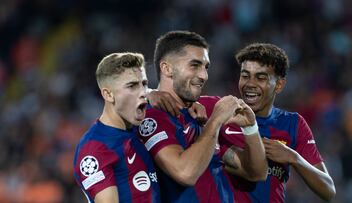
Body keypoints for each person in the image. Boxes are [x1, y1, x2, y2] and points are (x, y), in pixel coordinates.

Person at [138, 30, 267, 203]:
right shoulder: (151, 116)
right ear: (167, 68)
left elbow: (257, 173)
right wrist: (215, 121)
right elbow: (185, 173)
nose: (204, 75)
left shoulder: (200, 112)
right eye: (194, 65)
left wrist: (251, 128)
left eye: (206, 67)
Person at [200, 43, 336, 202]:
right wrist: (162, 96)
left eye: (261, 77)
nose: (250, 83)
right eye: (245, 75)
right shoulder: (219, 108)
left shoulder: (293, 123)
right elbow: (177, 100)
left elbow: (328, 190)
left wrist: (294, 157)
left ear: (279, 85)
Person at [73, 52, 160, 203]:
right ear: (108, 95)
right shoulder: (95, 149)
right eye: (132, 86)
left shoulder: (139, 126)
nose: (143, 93)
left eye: (144, 84)